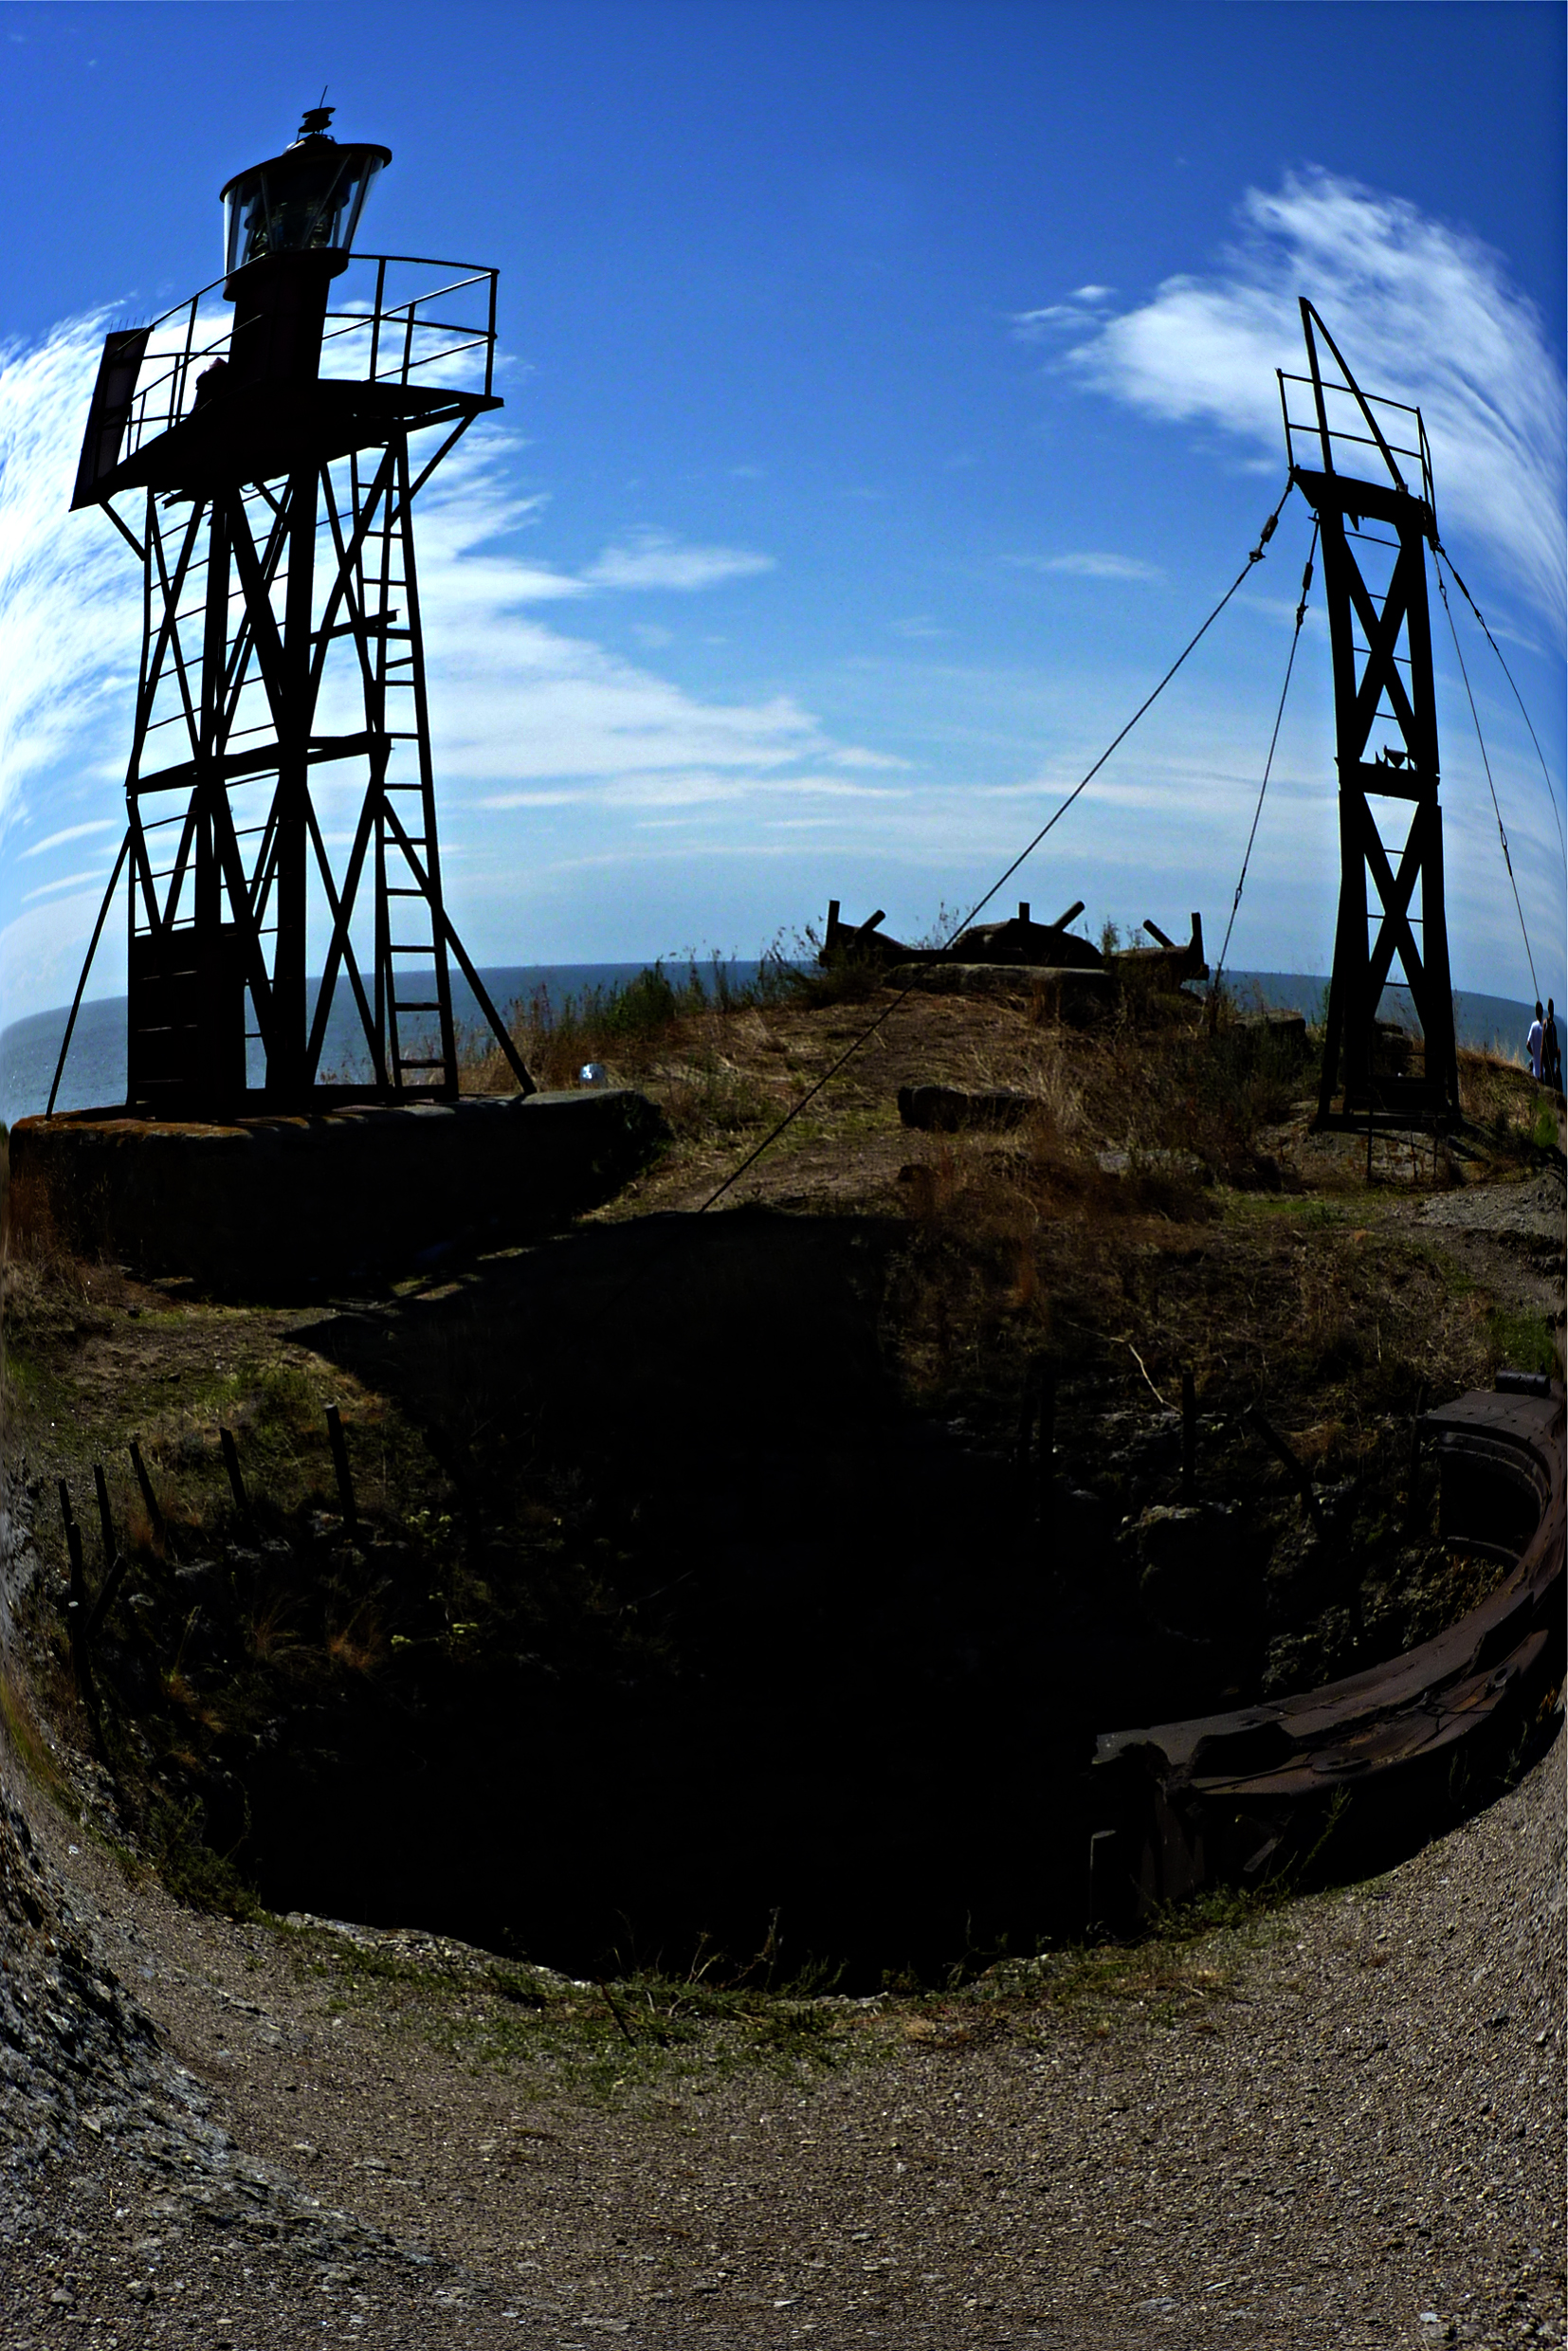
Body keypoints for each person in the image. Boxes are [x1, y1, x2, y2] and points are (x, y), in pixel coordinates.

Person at [1544, 997, 1562, 1093]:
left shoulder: (1553, 1025)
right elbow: (1544, 1041)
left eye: (1552, 1008)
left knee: (1552, 1078)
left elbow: (1555, 1042)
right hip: (1547, 1057)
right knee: (1548, 1077)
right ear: (1548, 1008)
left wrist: (1556, 1054)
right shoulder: (1546, 1023)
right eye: (1550, 1007)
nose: (1552, 1010)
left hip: (1552, 1058)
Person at [1526, 1001, 1544, 1083]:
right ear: (1542, 1012)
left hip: (1535, 1069)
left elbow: (1528, 1045)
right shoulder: (1544, 1027)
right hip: (1543, 1070)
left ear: (1536, 1012)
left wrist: (1534, 1054)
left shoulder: (1534, 1025)